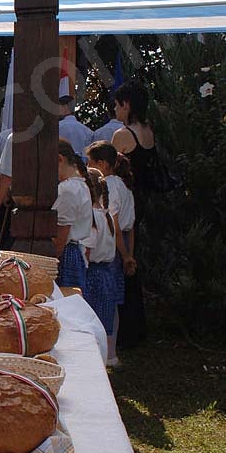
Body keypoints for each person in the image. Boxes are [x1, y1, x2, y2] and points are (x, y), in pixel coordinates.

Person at [110, 80, 153, 347]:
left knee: (122, 262)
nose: (115, 109)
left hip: (126, 202)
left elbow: (112, 173)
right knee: (135, 266)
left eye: (117, 105)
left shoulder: (122, 135)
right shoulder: (148, 131)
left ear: (126, 105)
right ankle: (137, 327)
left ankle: (124, 330)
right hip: (146, 201)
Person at [86, 141, 138, 353]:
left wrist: (125, 256)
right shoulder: (125, 186)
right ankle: (111, 349)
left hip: (112, 248)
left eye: (90, 162)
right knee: (112, 299)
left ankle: (108, 350)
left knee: (105, 300)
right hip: (121, 245)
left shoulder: (108, 186)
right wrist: (130, 254)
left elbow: (114, 224)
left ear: (102, 164)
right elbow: (130, 227)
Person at [81, 168, 120, 366]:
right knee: (103, 322)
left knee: (91, 323)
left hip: (93, 275)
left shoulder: (93, 218)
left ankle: (93, 363)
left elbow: (88, 250)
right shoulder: (106, 215)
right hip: (107, 274)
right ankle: (104, 359)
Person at [52, 139, 93, 293]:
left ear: (59, 159)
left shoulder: (67, 189)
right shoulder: (80, 185)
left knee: (65, 303)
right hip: (74, 253)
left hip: (66, 257)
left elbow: (60, 238)